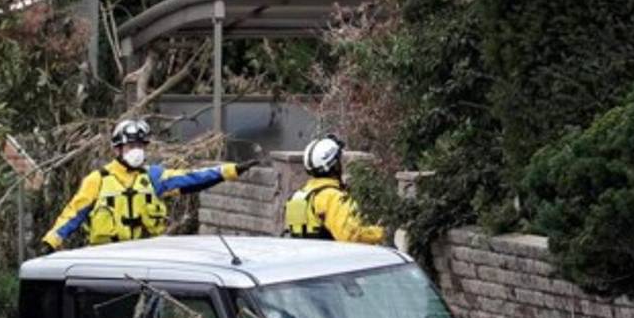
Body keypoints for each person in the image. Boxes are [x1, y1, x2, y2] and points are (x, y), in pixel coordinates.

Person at [41, 118, 257, 252]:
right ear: (117, 149)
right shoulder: (97, 180)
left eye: (140, 145)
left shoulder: (154, 177)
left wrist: (230, 170)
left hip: (145, 253)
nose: (136, 151)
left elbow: (193, 178)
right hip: (106, 257)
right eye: (130, 146)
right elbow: (72, 215)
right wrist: (50, 242)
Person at [284, 134, 384, 244]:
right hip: (329, 255)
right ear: (335, 165)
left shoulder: (297, 196)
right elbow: (350, 236)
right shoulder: (333, 197)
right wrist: (381, 233)